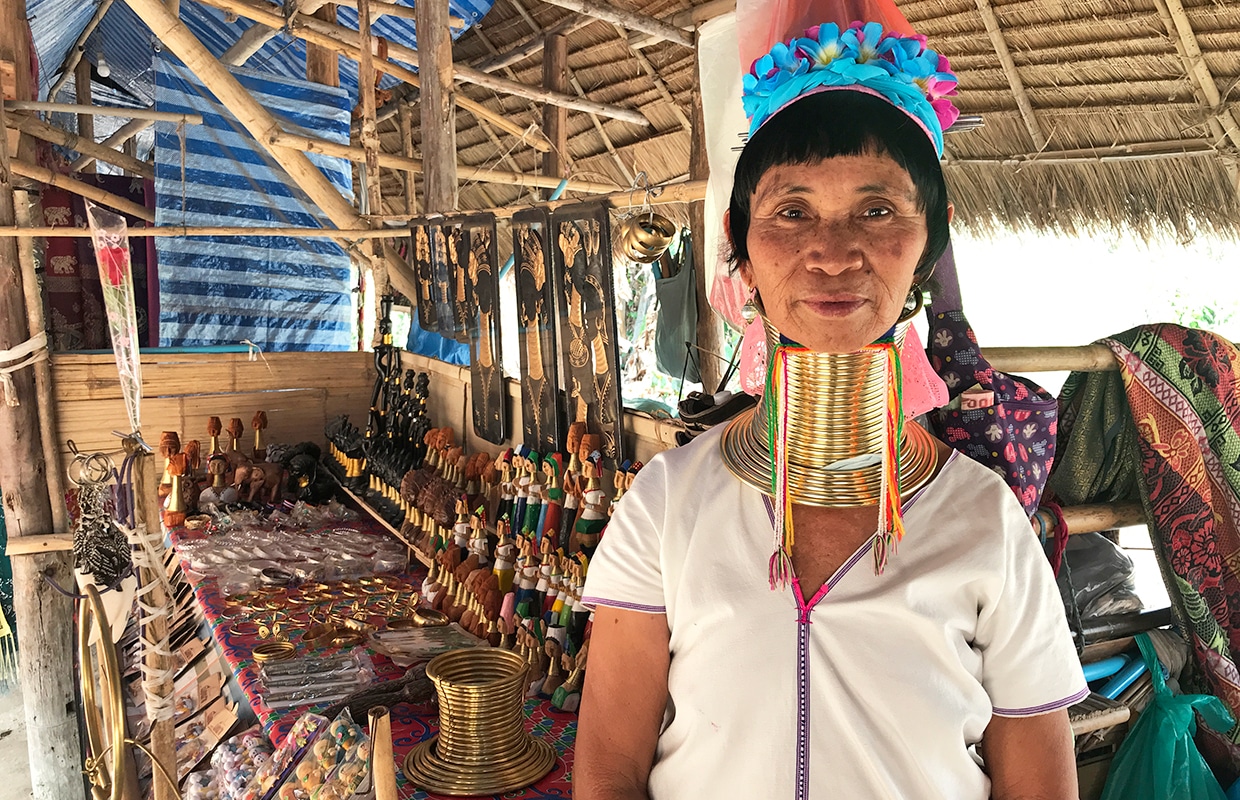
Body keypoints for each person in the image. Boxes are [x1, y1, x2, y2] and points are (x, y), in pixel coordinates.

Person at [574, 6, 1087, 800]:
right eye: (791, 211)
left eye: (878, 210)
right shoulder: (668, 506)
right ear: (743, 246)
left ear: (926, 249)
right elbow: (609, 771)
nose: (833, 252)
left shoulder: (985, 520)